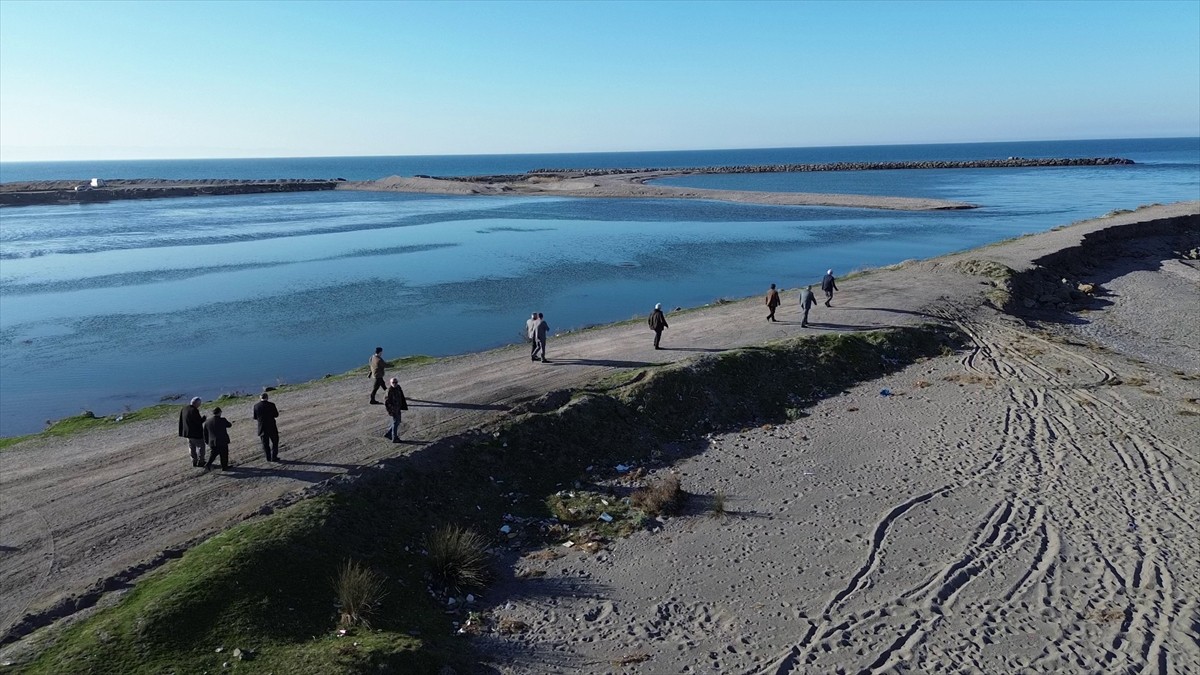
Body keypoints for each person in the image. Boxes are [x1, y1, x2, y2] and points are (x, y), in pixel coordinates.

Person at [178, 397, 207, 467]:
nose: (199, 406)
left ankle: (194, 461)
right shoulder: (194, 410)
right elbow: (198, 422)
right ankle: (201, 461)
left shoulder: (184, 409)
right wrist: (203, 419)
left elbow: (181, 420)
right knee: (201, 446)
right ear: (197, 404)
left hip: (187, 432)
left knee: (191, 447)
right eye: (199, 404)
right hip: (195, 433)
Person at [202, 407, 234, 471]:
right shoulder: (222, 420)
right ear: (219, 412)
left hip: (212, 442)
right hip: (222, 440)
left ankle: (208, 464)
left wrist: (207, 441)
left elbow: (205, 433)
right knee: (224, 454)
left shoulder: (207, 422)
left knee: (213, 454)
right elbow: (229, 425)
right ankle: (224, 466)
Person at [252, 392, 280, 462]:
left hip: (262, 428)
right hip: (272, 427)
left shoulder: (256, 406)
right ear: (267, 397)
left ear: (260, 398)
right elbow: (276, 415)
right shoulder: (271, 405)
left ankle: (268, 457)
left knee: (265, 444)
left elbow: (255, 417)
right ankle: (274, 456)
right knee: (275, 442)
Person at [383, 377, 409, 443]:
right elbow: (386, 403)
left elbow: (401, 396)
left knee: (398, 421)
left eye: (396, 382)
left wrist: (403, 405)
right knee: (395, 423)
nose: (394, 384)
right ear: (390, 383)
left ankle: (389, 434)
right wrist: (390, 411)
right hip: (393, 410)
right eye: (393, 383)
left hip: (398, 408)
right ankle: (394, 438)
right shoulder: (389, 391)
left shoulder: (398, 387)